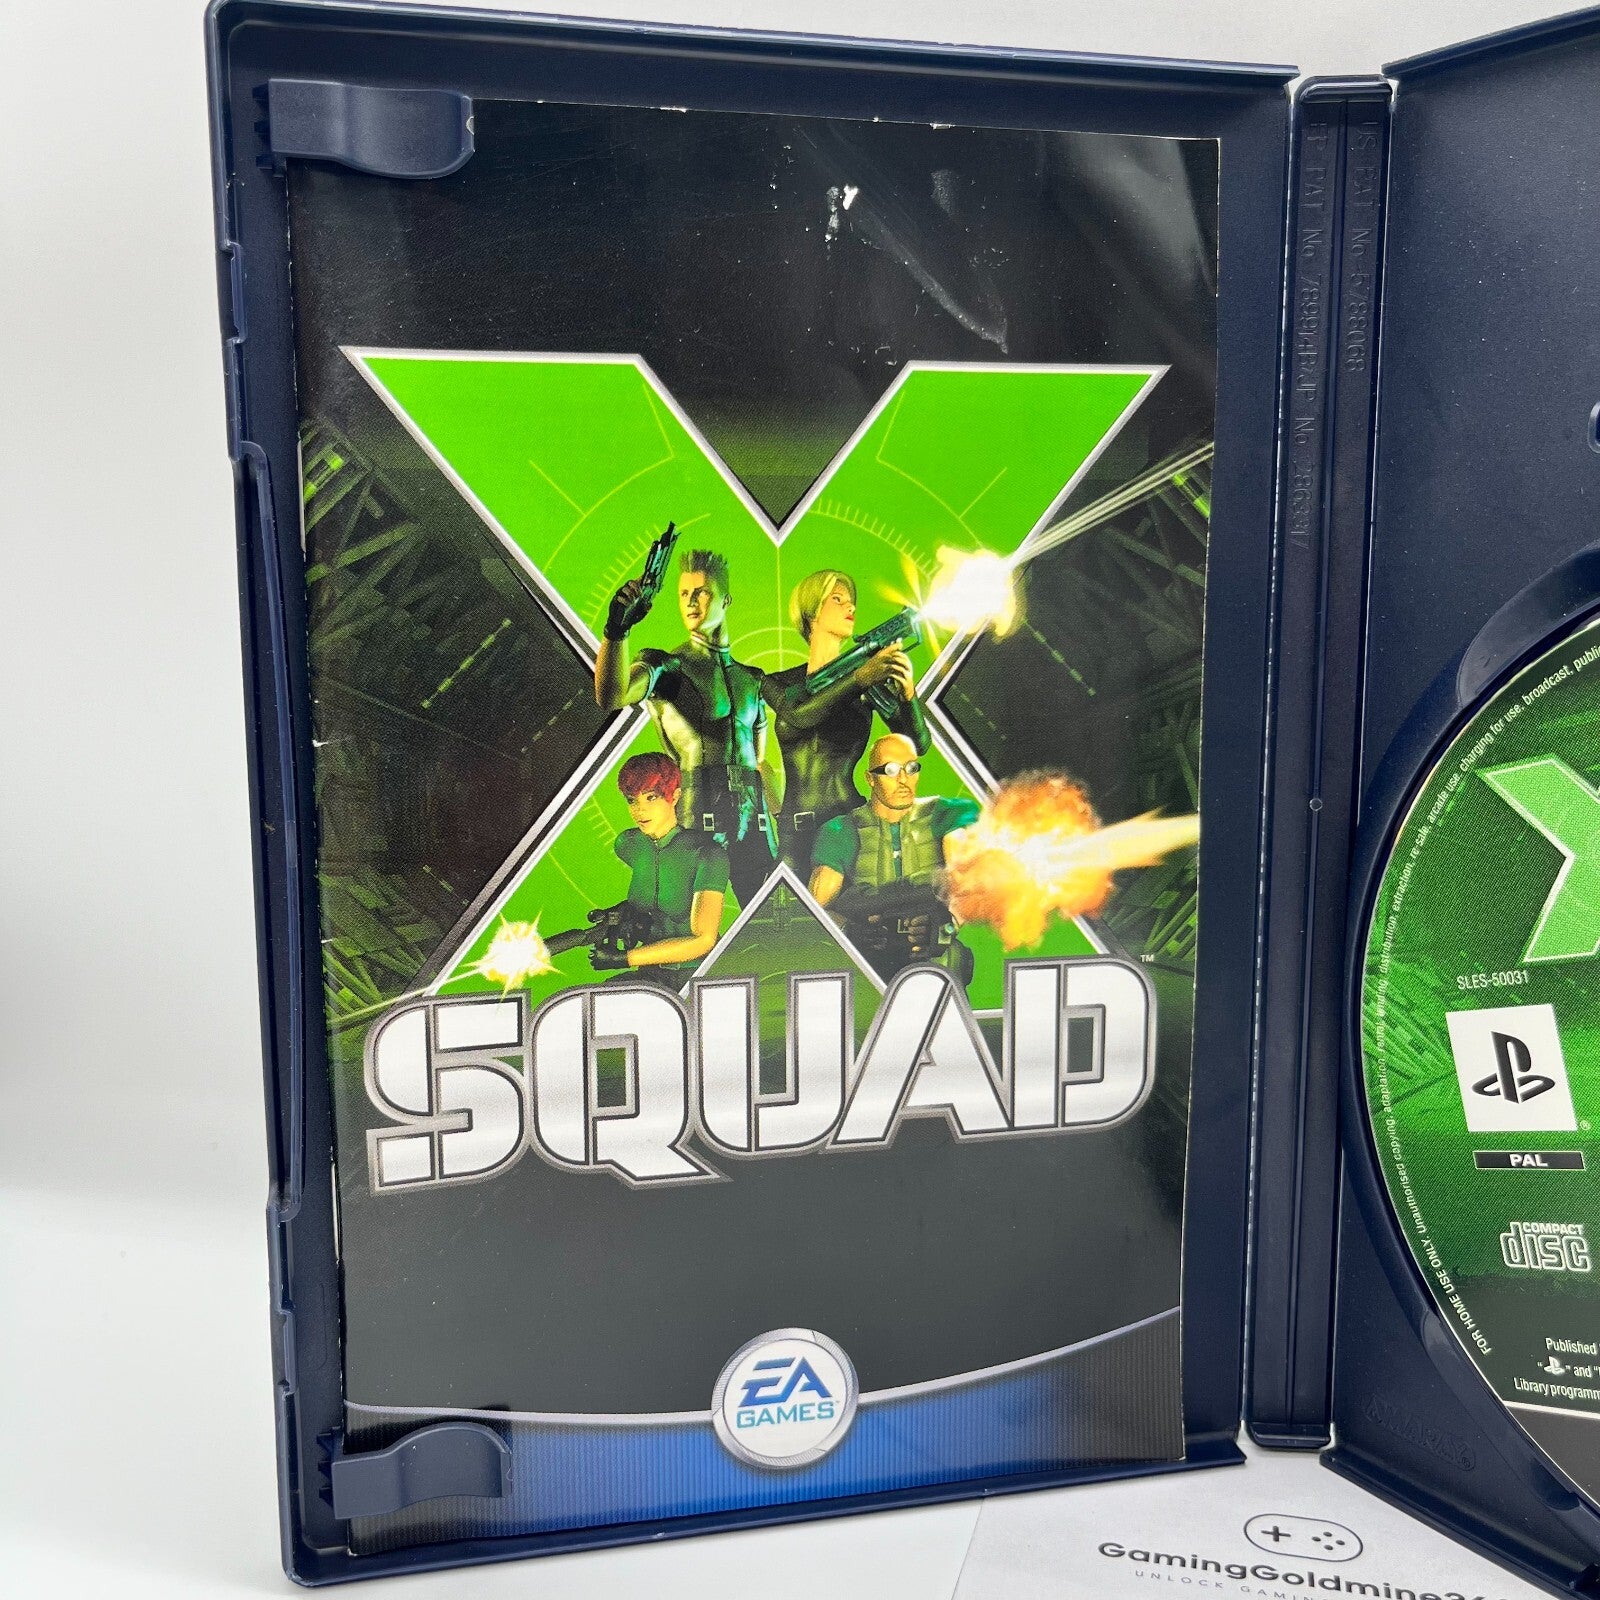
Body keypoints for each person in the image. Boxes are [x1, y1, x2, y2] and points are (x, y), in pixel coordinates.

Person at [595, 547, 781, 904]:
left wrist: (782, 819)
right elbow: (612, 695)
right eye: (684, 594)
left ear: (725, 600)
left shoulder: (751, 680)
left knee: (771, 921)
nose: (691, 601)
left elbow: (759, 763)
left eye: (702, 592)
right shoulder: (667, 667)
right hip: (696, 813)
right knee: (681, 924)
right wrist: (617, 629)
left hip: (754, 820)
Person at [763, 569, 929, 872]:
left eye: (851, 601)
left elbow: (917, 745)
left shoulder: (870, 685)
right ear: (812, 612)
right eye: (837, 599)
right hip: (793, 835)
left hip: (849, 828)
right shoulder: (780, 684)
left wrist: (908, 695)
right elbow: (799, 716)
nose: (850, 606)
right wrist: (778, 813)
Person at [808, 733, 978, 984]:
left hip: (932, 962)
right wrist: (850, 931)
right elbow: (813, 912)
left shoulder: (947, 815)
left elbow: (965, 886)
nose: (903, 779)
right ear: (870, 778)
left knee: (950, 960)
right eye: (890, 770)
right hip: (869, 961)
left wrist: (944, 926)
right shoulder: (841, 831)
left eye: (911, 768)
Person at [589, 752, 729, 986]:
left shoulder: (707, 853)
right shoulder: (629, 845)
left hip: (701, 975)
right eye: (632, 800)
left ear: (674, 797)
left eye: (651, 797)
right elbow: (653, 898)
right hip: (652, 974)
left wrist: (625, 958)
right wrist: (622, 912)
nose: (640, 810)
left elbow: (704, 940)